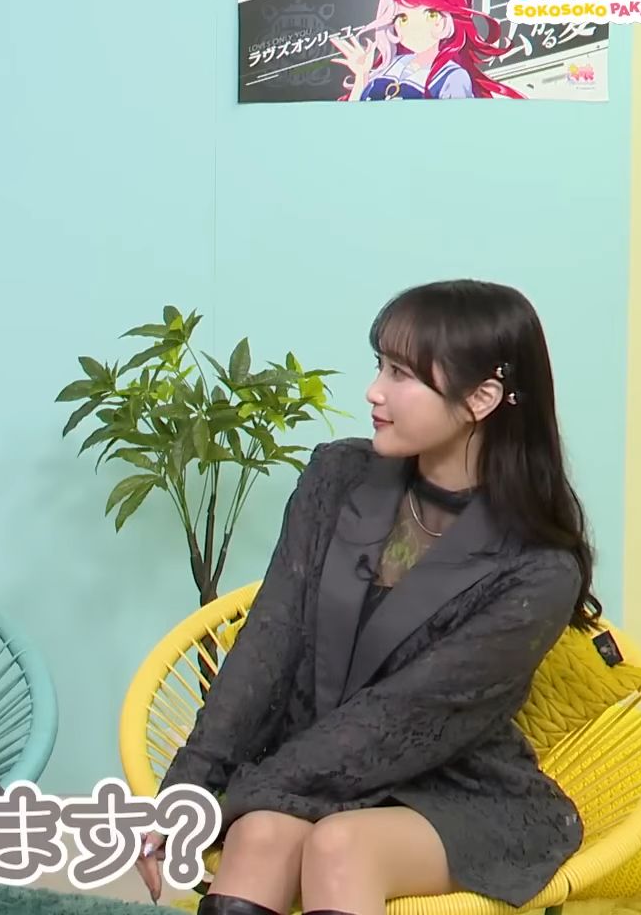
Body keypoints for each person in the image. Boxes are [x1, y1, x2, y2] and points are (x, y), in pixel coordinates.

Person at [136, 280, 600, 915]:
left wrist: (232, 799)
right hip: (312, 770)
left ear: (481, 398)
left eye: (401, 374)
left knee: (340, 845)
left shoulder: (539, 568)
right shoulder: (336, 476)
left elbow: (402, 719)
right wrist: (187, 796)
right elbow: (268, 645)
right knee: (261, 834)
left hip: (456, 789)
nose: (374, 391)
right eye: (380, 365)